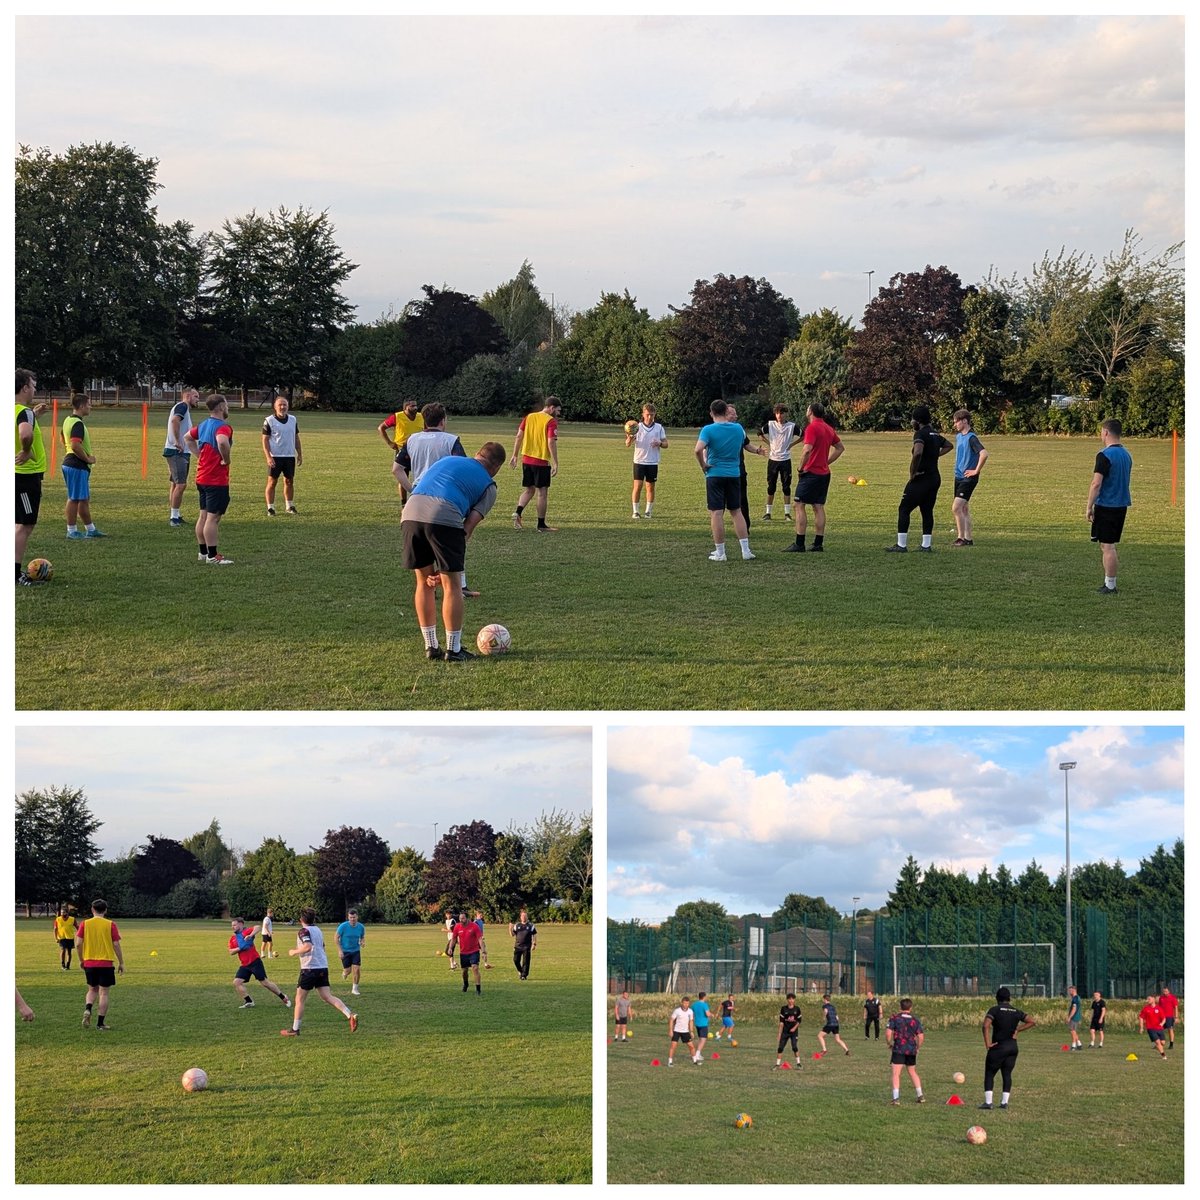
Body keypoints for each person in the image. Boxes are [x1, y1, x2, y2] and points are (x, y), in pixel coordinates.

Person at [400, 442, 506, 661]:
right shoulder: (489, 486)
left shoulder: (448, 460)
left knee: (423, 582)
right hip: (444, 514)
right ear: (496, 467)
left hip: (410, 511)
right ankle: (453, 649)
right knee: (453, 585)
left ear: (477, 454)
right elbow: (466, 529)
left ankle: (431, 646)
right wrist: (447, 568)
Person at [395, 403, 477, 598]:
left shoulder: (412, 440)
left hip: (418, 498)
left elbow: (397, 469)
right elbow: (461, 467)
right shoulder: (451, 440)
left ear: (424, 420)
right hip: (445, 497)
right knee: (452, 540)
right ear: (443, 421)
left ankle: (428, 587)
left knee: (424, 543)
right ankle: (460, 585)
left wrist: (412, 489)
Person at [695, 399, 763, 562]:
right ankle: (745, 550)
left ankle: (720, 552)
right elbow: (745, 444)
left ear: (711, 413)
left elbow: (698, 449)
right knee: (736, 511)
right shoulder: (738, 428)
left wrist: (703, 465)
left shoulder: (708, 430)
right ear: (726, 412)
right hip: (734, 474)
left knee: (717, 513)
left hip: (715, 474)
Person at [280, 907, 357, 1037]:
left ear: (301, 920)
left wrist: (294, 951)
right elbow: (322, 947)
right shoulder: (317, 930)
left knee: (299, 999)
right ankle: (350, 1015)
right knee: (327, 996)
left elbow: (308, 946)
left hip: (309, 969)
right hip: (322, 967)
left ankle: (295, 1029)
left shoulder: (303, 931)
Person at [886, 405, 952, 552]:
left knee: (904, 509)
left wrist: (912, 472)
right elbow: (949, 445)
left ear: (918, 421)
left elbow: (917, 453)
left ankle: (901, 545)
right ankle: (926, 545)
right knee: (927, 510)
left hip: (921, 477)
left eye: (912, 419)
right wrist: (935, 455)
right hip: (934, 477)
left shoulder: (920, 434)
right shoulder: (935, 434)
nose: (911, 422)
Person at [784, 402, 844, 553]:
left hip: (811, 473)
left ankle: (799, 543)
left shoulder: (812, 428)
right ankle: (818, 543)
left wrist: (800, 468)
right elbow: (840, 448)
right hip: (824, 474)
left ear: (810, 411)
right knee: (818, 507)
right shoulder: (828, 428)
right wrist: (826, 461)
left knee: (799, 505)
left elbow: (806, 450)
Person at [185, 394, 235, 566]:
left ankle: (203, 552)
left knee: (203, 516)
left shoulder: (204, 425)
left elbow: (187, 437)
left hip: (202, 477)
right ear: (221, 407)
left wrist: (199, 455)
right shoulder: (223, 427)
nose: (227, 408)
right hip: (216, 479)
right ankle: (213, 556)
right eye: (226, 404)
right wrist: (226, 459)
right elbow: (222, 442)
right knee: (213, 519)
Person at [1086, 417, 1133, 595]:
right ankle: (1108, 582)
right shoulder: (1126, 455)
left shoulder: (1104, 455)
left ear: (1105, 432)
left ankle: (1110, 585)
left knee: (1108, 546)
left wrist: (1089, 506)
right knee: (1108, 545)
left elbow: (1096, 483)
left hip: (1107, 505)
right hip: (1121, 505)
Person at [15, 369, 49, 586]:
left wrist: (34, 415)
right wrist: (27, 450)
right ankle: (14, 574)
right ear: (25, 387)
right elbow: (25, 434)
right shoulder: (23, 412)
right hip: (25, 477)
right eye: (34, 385)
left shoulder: (18, 411)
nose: (35, 389)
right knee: (24, 525)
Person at [979, 985, 1036, 1110]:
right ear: (1009, 998)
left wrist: (987, 1043)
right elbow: (1032, 1021)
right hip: (1013, 1048)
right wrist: (1018, 1029)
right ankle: (1004, 1103)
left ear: (997, 998)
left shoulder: (994, 1010)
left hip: (999, 1047)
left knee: (989, 1073)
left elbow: (985, 1026)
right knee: (1007, 1074)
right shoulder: (1016, 1011)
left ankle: (988, 1103)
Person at [510, 396, 561, 531]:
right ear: (551, 408)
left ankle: (518, 512)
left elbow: (519, 436)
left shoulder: (529, 417)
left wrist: (515, 455)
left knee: (529, 489)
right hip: (541, 460)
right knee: (542, 493)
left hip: (526, 459)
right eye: (558, 410)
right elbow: (551, 442)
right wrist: (555, 462)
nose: (558, 413)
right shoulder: (550, 421)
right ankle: (541, 525)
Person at [75, 898, 125, 1030]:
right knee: (104, 993)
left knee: (92, 989)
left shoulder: (85, 924)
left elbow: (78, 943)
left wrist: (82, 960)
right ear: (106, 910)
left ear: (92, 910)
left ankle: (88, 1008)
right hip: (106, 963)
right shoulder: (110, 924)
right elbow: (116, 944)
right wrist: (121, 962)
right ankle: (100, 1023)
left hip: (90, 963)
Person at [61, 394, 106, 538]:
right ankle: (71, 531)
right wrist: (87, 458)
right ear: (81, 406)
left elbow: (63, 437)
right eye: (89, 404)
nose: (90, 406)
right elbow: (74, 445)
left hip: (72, 463)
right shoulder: (78, 424)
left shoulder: (68, 420)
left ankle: (90, 529)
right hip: (76, 465)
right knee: (74, 498)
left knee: (83, 498)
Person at [228, 917, 291, 1010]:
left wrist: (251, 935)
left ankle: (283, 997)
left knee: (265, 983)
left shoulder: (246, 932)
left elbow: (258, 927)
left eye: (235, 925)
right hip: (245, 965)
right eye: (232, 925)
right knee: (237, 982)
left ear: (241, 924)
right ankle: (249, 1001)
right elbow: (230, 952)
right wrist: (240, 948)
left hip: (255, 962)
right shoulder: (233, 938)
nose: (233, 927)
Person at [950, 408, 988, 546]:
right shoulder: (959, 437)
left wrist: (975, 471)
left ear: (964, 421)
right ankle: (968, 538)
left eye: (956, 422)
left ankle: (960, 538)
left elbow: (984, 454)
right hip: (958, 476)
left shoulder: (972, 438)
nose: (955, 425)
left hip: (968, 478)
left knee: (956, 507)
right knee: (964, 508)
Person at [378, 398, 425, 504]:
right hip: (402, 450)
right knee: (403, 477)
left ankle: (419, 500)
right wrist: (390, 443)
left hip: (418, 450)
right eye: (412, 406)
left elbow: (427, 430)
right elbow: (381, 428)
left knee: (421, 476)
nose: (415, 408)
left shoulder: (421, 416)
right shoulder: (397, 416)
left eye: (416, 405)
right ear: (406, 407)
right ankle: (404, 502)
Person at [261, 395, 302, 516]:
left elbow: (296, 437)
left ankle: (289, 506)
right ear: (275, 406)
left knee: (289, 481)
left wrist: (299, 453)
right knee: (272, 482)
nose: (282, 407)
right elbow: (265, 440)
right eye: (280, 404)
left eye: (285, 404)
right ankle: (270, 508)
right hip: (275, 456)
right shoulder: (269, 420)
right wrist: (268, 457)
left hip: (289, 456)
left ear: (288, 406)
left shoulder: (293, 419)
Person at [626, 404, 668, 519]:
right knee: (637, 486)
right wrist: (629, 438)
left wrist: (659, 443)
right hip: (639, 461)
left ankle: (648, 511)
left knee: (650, 487)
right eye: (647, 414)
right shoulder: (636, 427)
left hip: (652, 462)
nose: (649, 417)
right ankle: (635, 511)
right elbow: (628, 444)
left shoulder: (659, 428)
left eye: (652, 415)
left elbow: (666, 444)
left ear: (655, 415)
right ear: (643, 414)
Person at [164, 387, 199, 526]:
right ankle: (174, 518)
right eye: (196, 397)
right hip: (177, 451)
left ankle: (175, 514)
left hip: (178, 451)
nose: (198, 400)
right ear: (188, 396)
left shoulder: (184, 409)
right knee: (181, 484)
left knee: (175, 484)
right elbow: (174, 421)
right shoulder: (183, 406)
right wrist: (178, 441)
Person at [758, 403, 796, 521]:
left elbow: (804, 435)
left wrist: (792, 444)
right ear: (775, 414)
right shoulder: (770, 425)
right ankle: (768, 513)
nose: (779, 415)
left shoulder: (791, 426)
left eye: (782, 413)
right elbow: (759, 433)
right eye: (777, 413)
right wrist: (768, 443)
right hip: (773, 460)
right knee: (771, 486)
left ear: (786, 414)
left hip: (785, 460)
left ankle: (787, 514)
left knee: (786, 487)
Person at [886, 997, 926, 1105]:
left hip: (899, 1048)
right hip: (911, 1050)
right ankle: (920, 1095)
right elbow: (921, 1037)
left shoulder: (894, 1018)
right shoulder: (915, 1020)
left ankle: (896, 1099)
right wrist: (917, 1047)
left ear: (900, 1007)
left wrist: (889, 1043)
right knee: (912, 1072)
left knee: (896, 1073)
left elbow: (888, 1033)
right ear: (910, 1008)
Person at [450, 911, 484, 995]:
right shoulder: (457, 927)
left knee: (475, 968)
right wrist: (451, 948)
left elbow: (480, 939)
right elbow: (454, 939)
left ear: (467, 918)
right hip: (463, 952)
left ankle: (478, 989)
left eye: (463, 918)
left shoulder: (474, 926)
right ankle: (466, 984)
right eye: (460, 918)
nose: (461, 920)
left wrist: (483, 950)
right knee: (464, 971)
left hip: (474, 951)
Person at [335, 908, 366, 996]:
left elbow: (362, 936)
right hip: (345, 951)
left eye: (354, 917)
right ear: (348, 917)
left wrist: (363, 942)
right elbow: (336, 938)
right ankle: (345, 973)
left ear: (357, 917)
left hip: (356, 951)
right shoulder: (343, 926)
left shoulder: (361, 927)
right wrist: (340, 950)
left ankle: (355, 988)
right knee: (348, 971)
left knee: (356, 969)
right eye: (350, 917)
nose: (352, 919)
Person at [776, 991, 803, 1068]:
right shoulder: (783, 1009)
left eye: (792, 999)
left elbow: (799, 1021)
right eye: (789, 999)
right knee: (780, 1048)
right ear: (787, 1000)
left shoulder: (797, 1009)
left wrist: (794, 1028)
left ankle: (798, 1064)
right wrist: (779, 1034)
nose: (791, 1001)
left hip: (794, 1032)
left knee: (794, 1047)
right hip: (785, 1031)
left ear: (794, 1000)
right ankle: (777, 1064)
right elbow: (781, 1022)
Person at [666, 996, 696, 1066]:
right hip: (676, 1031)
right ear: (682, 1003)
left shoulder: (690, 1011)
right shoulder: (677, 1011)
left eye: (687, 1003)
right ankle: (670, 1062)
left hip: (685, 1032)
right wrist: (671, 1030)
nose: (686, 1005)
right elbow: (671, 1020)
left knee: (691, 1046)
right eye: (685, 1003)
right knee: (673, 1046)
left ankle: (695, 1061)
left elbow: (691, 1021)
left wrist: (691, 1031)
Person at [1139, 991, 1168, 1059]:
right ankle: (1163, 1055)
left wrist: (1162, 1023)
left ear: (1153, 999)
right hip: (1150, 1029)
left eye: (1149, 999)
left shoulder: (1159, 1008)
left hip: (1159, 1028)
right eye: (1147, 999)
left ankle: (1158, 1046)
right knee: (1158, 1042)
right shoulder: (1146, 1009)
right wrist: (1141, 1028)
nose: (1147, 1000)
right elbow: (1141, 1018)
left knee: (1163, 1043)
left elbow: (1164, 1018)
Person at [510, 908, 537, 980]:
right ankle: (520, 970)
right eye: (522, 916)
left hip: (527, 946)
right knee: (515, 960)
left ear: (527, 917)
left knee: (526, 961)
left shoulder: (531, 925)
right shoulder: (517, 925)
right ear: (520, 917)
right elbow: (512, 934)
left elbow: (534, 934)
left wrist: (534, 944)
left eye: (525, 916)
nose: (524, 917)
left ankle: (524, 975)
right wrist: (510, 929)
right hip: (518, 946)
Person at [54, 906, 77, 970]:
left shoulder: (72, 919)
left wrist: (80, 934)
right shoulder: (58, 919)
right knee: (63, 950)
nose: (62, 914)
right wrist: (56, 938)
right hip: (61, 937)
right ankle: (63, 965)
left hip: (70, 937)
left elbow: (77, 927)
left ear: (67, 913)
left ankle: (68, 965)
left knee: (69, 952)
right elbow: (55, 929)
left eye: (63, 912)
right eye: (61, 912)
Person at [691, 990, 711, 1062]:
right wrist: (711, 1014)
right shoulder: (704, 1004)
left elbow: (691, 1012)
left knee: (700, 1039)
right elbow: (707, 1014)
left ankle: (698, 1054)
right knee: (703, 1040)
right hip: (703, 1024)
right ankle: (697, 1055)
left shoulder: (694, 1004)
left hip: (697, 1024)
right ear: (704, 997)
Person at [1158, 984, 1179, 1050]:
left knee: (1170, 1030)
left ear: (1169, 991)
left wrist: (1176, 1017)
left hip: (1169, 1017)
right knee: (1159, 1029)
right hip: (1161, 1017)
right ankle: (1159, 1044)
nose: (1165, 993)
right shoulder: (1161, 998)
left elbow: (1176, 1008)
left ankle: (1171, 1044)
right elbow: (1159, 1007)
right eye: (1164, 991)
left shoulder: (1173, 998)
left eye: (1166, 991)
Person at [1065, 985, 1083, 1050]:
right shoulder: (1076, 997)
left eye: (1070, 990)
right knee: (1074, 1031)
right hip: (1076, 1016)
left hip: (1074, 1017)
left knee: (1072, 1031)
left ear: (1074, 990)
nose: (1069, 992)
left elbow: (1074, 1009)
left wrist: (1069, 1017)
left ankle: (1073, 1045)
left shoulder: (1075, 998)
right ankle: (1079, 1044)